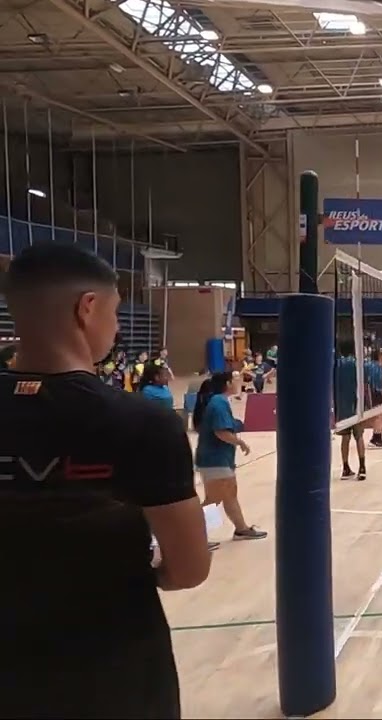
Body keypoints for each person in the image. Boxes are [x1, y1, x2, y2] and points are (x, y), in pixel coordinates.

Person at [0, 243, 210, 718]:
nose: (116, 327)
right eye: (114, 313)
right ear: (87, 308)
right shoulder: (142, 423)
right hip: (113, 673)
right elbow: (189, 568)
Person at [193, 372, 267, 543]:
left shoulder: (219, 401)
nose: (239, 381)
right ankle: (192, 536)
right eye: (235, 379)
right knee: (214, 499)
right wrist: (240, 443)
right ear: (227, 383)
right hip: (214, 460)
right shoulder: (218, 403)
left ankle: (241, 529)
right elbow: (221, 432)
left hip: (218, 459)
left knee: (229, 495)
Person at [334, 340, 367, 481]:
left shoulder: (336, 365)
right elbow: (364, 382)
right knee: (359, 437)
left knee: (345, 438)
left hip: (341, 407)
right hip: (356, 405)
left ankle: (345, 468)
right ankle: (362, 468)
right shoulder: (357, 364)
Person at [364, 348, 382, 448]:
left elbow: (380, 381)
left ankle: (377, 437)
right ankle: (374, 439)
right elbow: (371, 381)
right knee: (379, 415)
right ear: (379, 357)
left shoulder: (381, 366)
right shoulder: (373, 366)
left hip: (377, 391)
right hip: (372, 392)